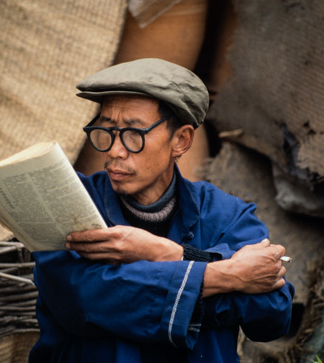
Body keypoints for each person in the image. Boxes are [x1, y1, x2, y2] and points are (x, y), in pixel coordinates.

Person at [29, 58, 294, 362]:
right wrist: (231, 275)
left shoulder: (225, 214)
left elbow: (274, 312)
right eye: (108, 131)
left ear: (180, 140)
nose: (115, 150)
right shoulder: (69, 205)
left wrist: (165, 253)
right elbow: (84, 302)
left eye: (134, 134)